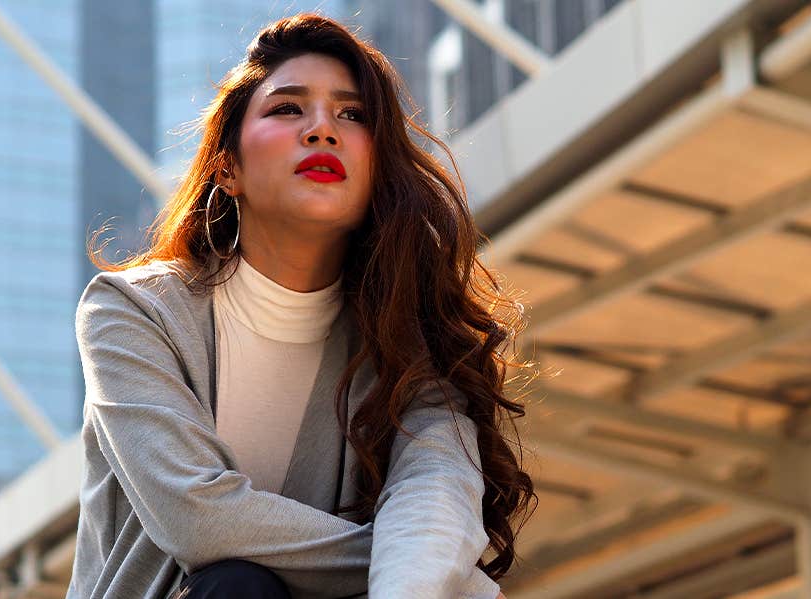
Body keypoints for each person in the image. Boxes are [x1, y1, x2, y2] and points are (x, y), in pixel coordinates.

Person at [67, 13, 536, 599]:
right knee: (238, 585)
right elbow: (198, 519)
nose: (323, 129)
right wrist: (423, 564)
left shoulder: (408, 350)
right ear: (227, 168)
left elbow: (435, 498)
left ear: (378, 170)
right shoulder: (134, 311)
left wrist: (417, 570)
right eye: (287, 109)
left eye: (352, 114)